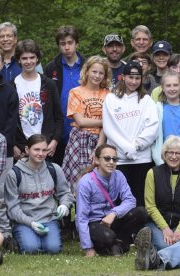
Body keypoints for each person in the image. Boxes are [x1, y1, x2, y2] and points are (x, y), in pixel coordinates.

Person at [0, 134, 74, 254]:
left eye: (44, 150)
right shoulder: (14, 174)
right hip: (25, 221)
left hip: (49, 219)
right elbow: (12, 208)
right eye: (36, 149)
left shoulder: (54, 169)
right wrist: (31, 223)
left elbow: (65, 193)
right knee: (30, 249)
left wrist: (64, 205)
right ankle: (20, 237)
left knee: (53, 249)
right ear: (27, 150)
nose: (41, 153)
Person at [102, 62, 160, 206]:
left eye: (137, 78)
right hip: (119, 158)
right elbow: (109, 128)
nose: (133, 82)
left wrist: (136, 146)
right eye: (130, 77)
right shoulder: (111, 99)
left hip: (141, 159)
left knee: (139, 196)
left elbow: (152, 127)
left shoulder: (147, 100)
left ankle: (140, 228)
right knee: (119, 197)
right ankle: (121, 228)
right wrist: (127, 148)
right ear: (123, 77)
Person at [75, 145, 149, 257]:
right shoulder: (85, 182)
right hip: (93, 223)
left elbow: (130, 200)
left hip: (111, 219)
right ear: (96, 160)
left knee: (141, 212)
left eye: (114, 159)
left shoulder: (119, 176)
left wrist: (114, 213)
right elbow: (81, 217)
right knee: (108, 237)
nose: (111, 162)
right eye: (107, 158)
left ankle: (117, 244)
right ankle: (118, 244)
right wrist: (88, 248)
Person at [62, 56, 111, 188]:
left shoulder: (108, 95)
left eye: (101, 73)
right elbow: (81, 121)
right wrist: (106, 122)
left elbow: (107, 128)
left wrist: (99, 148)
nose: (97, 75)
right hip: (79, 139)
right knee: (78, 179)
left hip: (101, 139)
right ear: (87, 71)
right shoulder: (76, 92)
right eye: (94, 71)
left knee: (98, 179)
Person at [144, 137, 180, 250]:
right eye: (170, 152)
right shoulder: (153, 173)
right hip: (157, 224)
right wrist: (165, 228)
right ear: (164, 154)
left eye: (178, 153)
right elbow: (150, 206)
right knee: (164, 245)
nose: (174, 156)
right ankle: (149, 240)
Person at [13, 39, 64, 163]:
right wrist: (13, 145)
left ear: (37, 59)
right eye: (24, 58)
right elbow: (8, 120)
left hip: (46, 146)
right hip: (22, 148)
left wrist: (54, 141)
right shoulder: (12, 86)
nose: (29, 61)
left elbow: (58, 117)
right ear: (19, 60)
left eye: (32, 57)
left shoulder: (48, 84)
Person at [45, 26, 85, 165]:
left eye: (70, 43)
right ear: (58, 46)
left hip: (84, 128)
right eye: (63, 44)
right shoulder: (51, 68)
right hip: (58, 130)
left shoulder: (87, 66)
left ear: (77, 44)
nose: (67, 47)